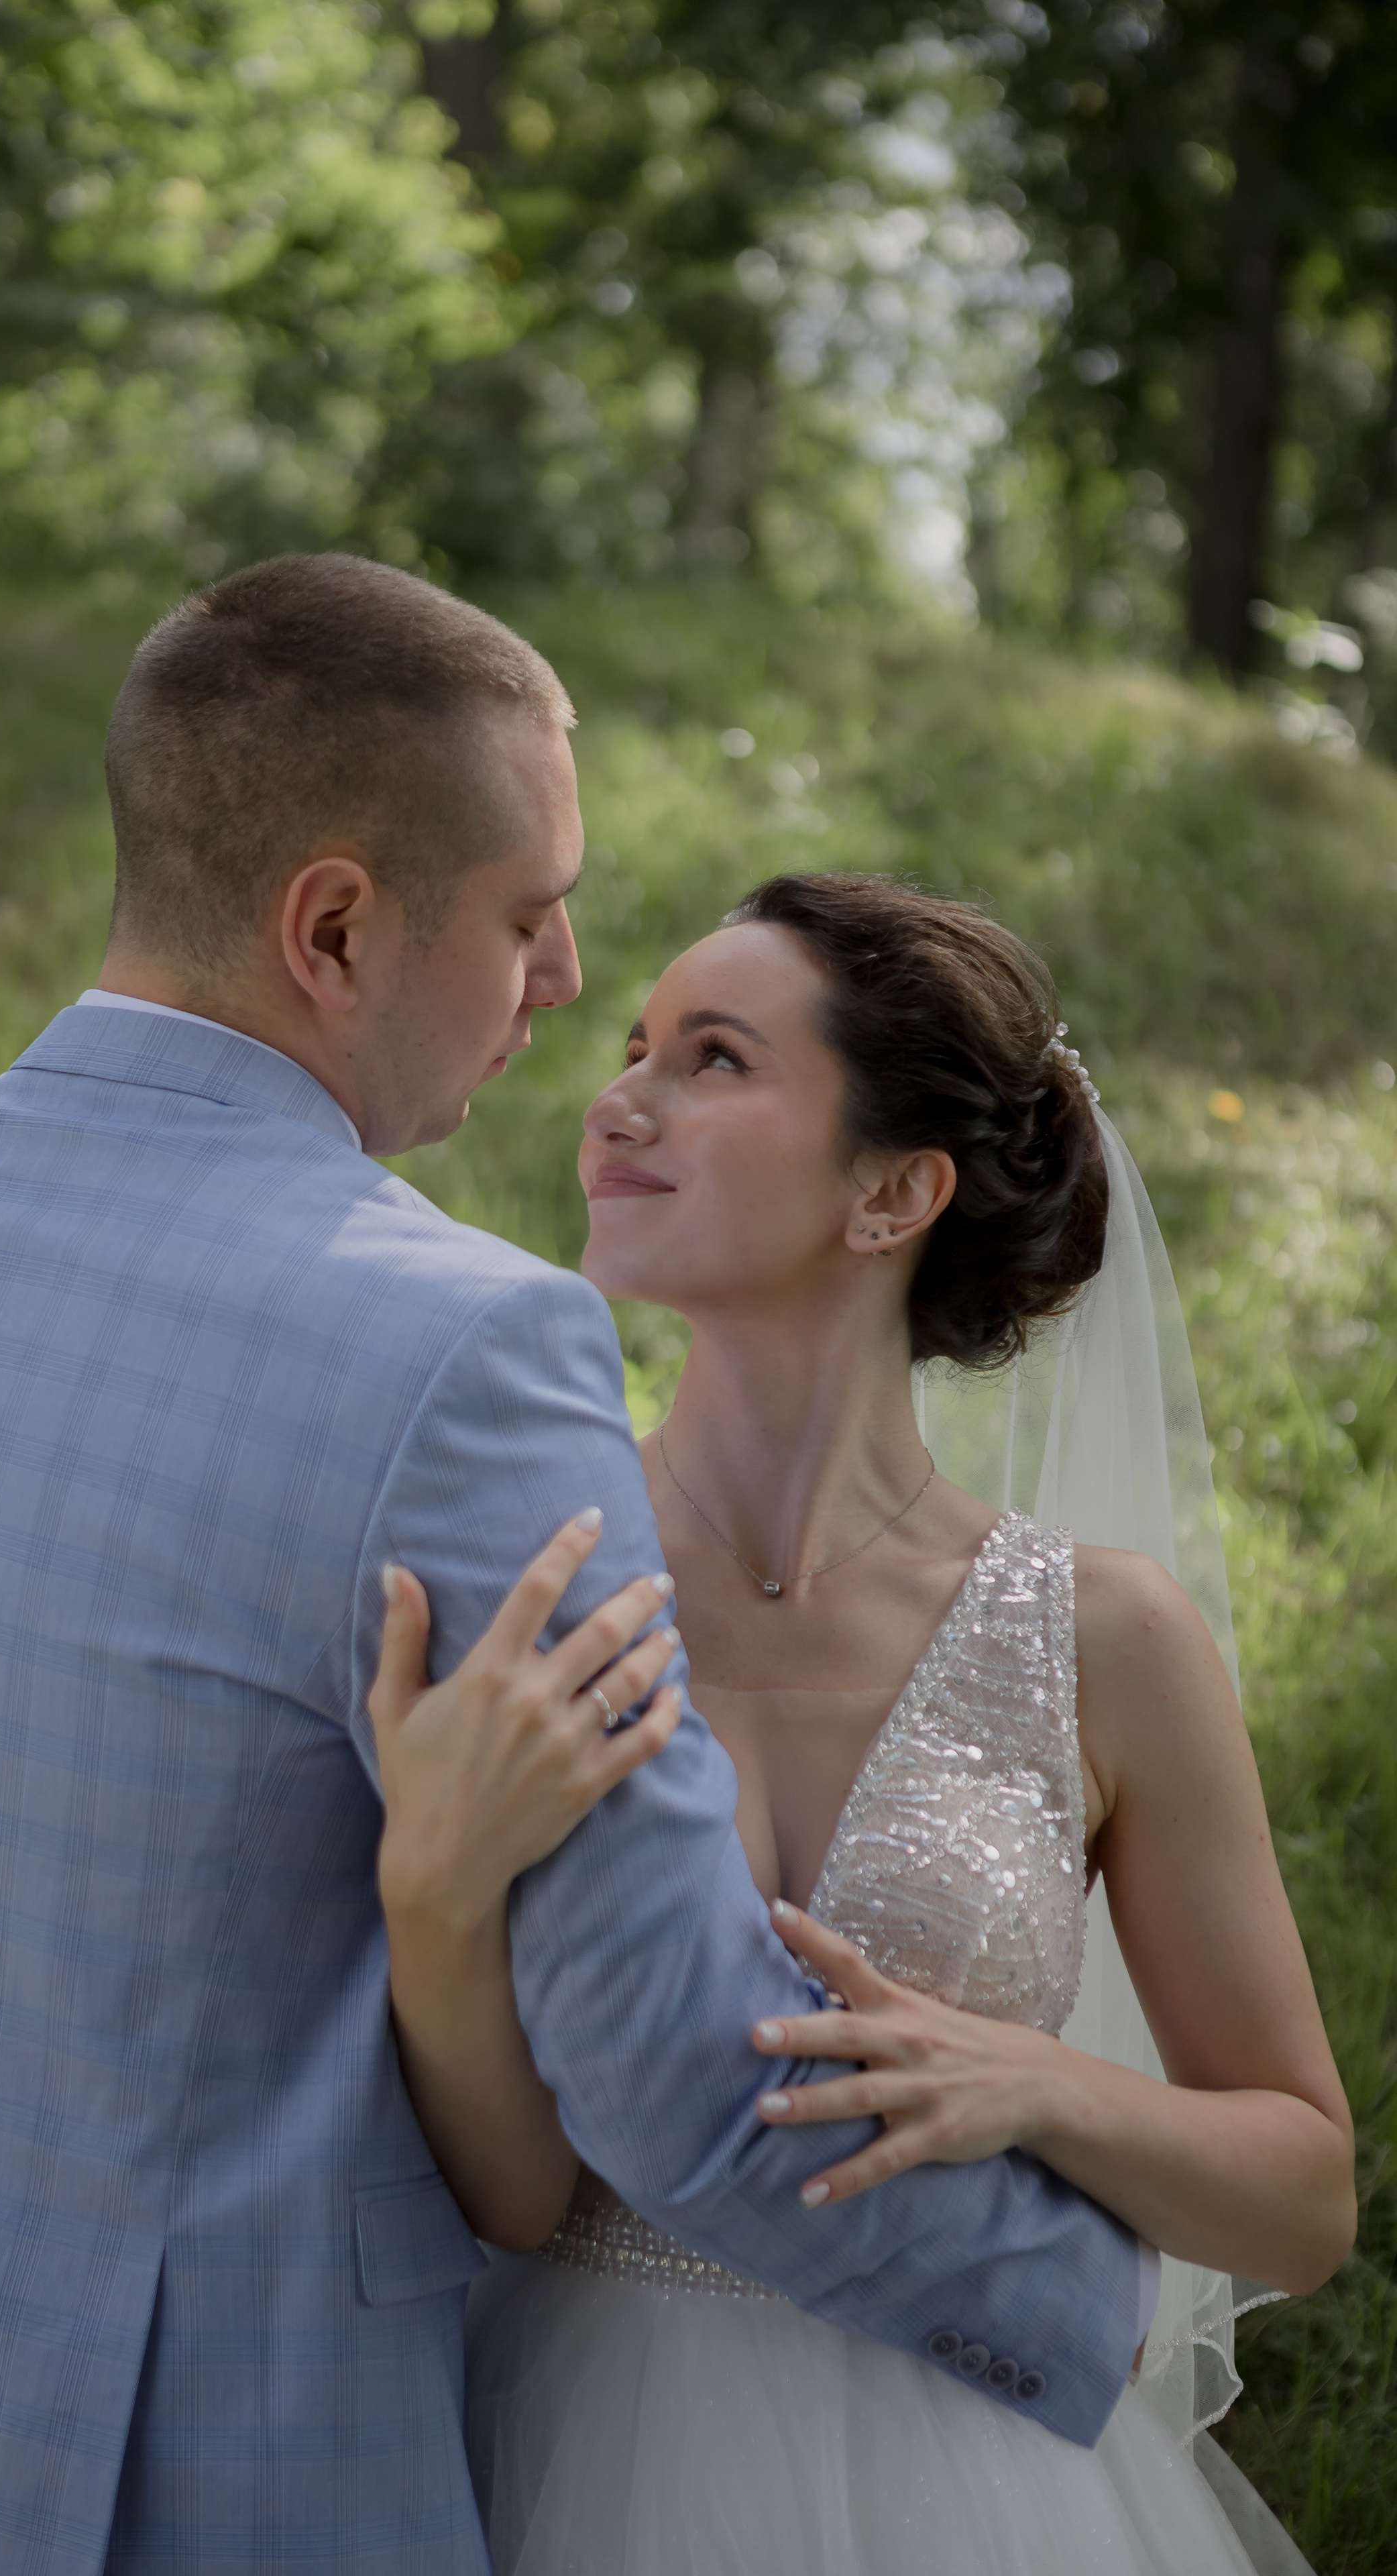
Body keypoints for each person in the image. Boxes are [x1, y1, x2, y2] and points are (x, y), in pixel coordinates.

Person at [0, 561, 1147, 2575]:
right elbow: (675, 2080)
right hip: (178, 2469)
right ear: (338, 928)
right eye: (534, 917)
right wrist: (1090, 2315)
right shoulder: (461, 1348)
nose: (560, 989)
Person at [367, 873, 1355, 2576]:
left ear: (893, 1190)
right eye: (632, 1047)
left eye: (714, 1059)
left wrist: (1030, 2082)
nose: (619, 1099)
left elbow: (1300, 2194)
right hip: (559, 2441)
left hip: (979, 2474)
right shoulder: (526, 1587)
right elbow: (513, 2197)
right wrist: (436, 1895)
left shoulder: (1103, 1637)